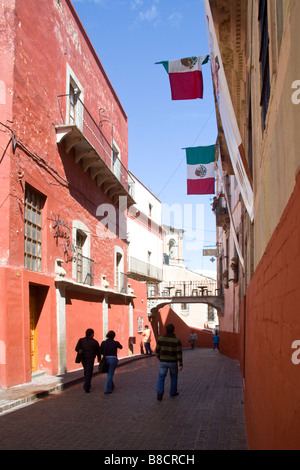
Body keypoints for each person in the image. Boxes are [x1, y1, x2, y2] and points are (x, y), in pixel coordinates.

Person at [155, 323, 183, 401]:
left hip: (163, 361)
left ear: (166, 330)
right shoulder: (177, 340)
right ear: (173, 330)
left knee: (161, 377)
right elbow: (179, 353)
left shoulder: (160, 339)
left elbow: (157, 350)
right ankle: (172, 392)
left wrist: (160, 358)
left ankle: (159, 393)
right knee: (173, 377)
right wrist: (180, 363)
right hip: (173, 362)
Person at [75, 328, 100, 393]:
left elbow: (76, 348)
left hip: (83, 358)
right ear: (92, 334)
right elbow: (98, 352)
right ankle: (86, 386)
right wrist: (99, 359)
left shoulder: (81, 340)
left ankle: (87, 383)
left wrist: (82, 351)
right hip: (90, 358)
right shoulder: (95, 342)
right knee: (89, 372)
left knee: (86, 370)